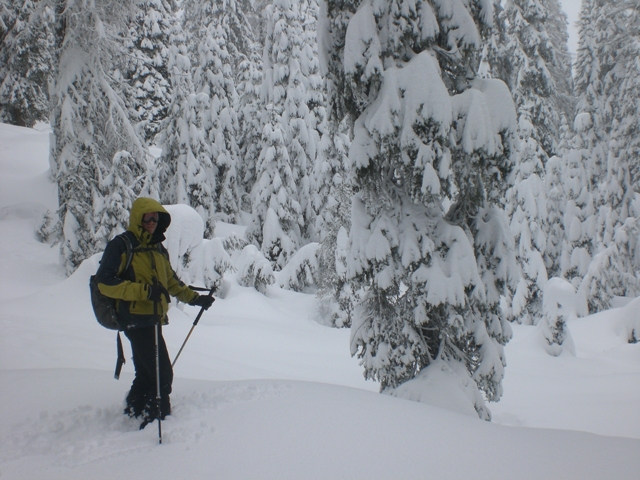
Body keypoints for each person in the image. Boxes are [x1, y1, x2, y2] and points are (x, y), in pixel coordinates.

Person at [95, 197, 214, 428]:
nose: (152, 222)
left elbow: (171, 282)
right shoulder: (121, 245)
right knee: (162, 375)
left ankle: (134, 410)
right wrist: (144, 291)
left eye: (156, 218)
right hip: (133, 318)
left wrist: (196, 299)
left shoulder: (158, 249)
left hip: (153, 318)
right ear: (138, 218)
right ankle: (155, 417)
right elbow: (105, 283)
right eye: (148, 217)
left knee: (147, 371)